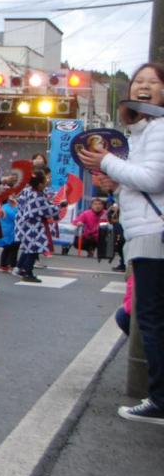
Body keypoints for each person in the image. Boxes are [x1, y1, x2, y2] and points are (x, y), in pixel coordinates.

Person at [78, 62, 164, 425]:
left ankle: (160, 400)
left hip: (154, 235)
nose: (143, 87)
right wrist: (117, 181)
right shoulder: (145, 131)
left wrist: (108, 161)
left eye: (153, 82)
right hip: (148, 232)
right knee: (145, 317)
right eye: (138, 82)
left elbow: (153, 178)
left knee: (149, 319)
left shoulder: (159, 127)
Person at [14, 172, 55, 282]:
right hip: (33, 225)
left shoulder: (27, 191)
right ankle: (28, 272)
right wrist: (60, 206)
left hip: (23, 222)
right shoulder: (37, 196)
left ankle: (20, 267)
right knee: (34, 248)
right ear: (40, 184)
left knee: (29, 247)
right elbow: (47, 210)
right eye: (45, 180)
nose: (47, 182)